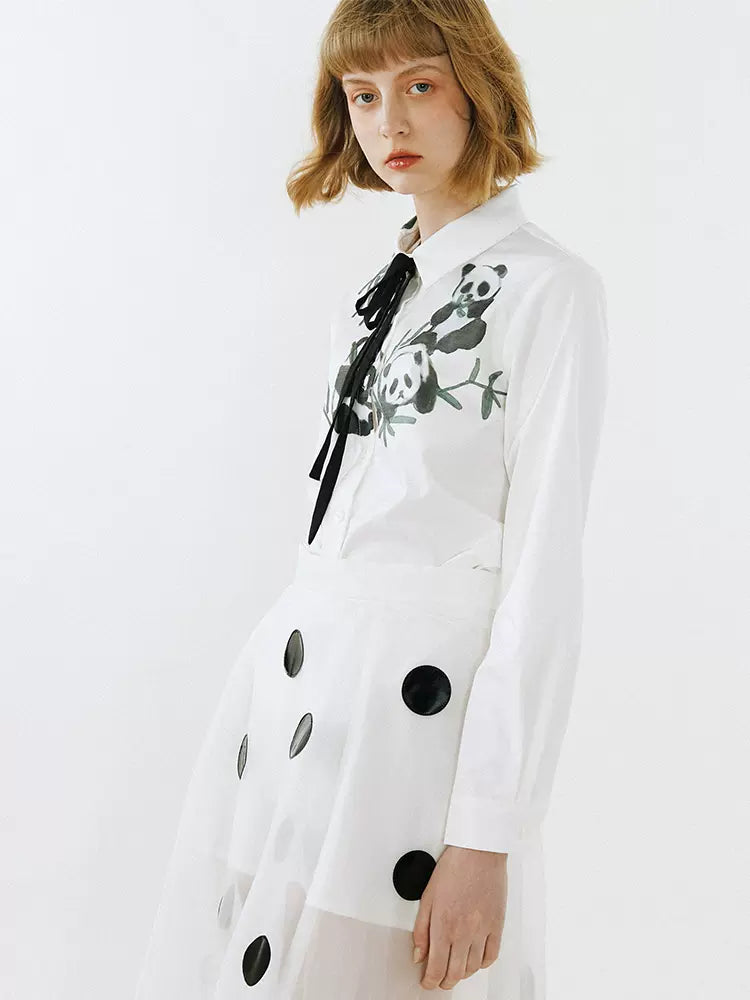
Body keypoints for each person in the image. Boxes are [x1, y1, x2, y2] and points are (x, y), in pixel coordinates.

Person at [133, 1, 609, 997]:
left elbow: (542, 577)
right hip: (299, 714)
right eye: (362, 95)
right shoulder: (380, 295)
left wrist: (487, 832)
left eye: (419, 86)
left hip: (416, 739)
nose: (389, 121)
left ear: (477, 87)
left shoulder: (547, 289)